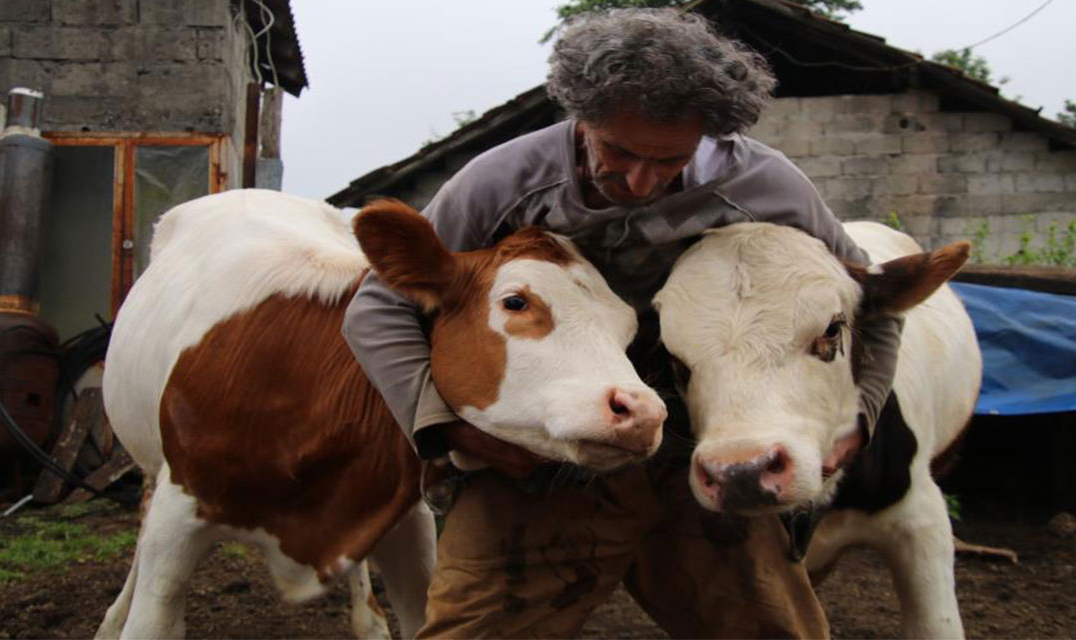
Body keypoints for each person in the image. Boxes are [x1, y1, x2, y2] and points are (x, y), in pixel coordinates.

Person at [343, 8, 902, 638]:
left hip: (698, 438)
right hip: (539, 451)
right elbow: (378, 307)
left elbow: (873, 301)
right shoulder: (504, 181)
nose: (640, 181)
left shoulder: (765, 185)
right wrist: (449, 429)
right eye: (619, 151)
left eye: (670, 160)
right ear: (581, 115)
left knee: (767, 626)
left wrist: (861, 416)